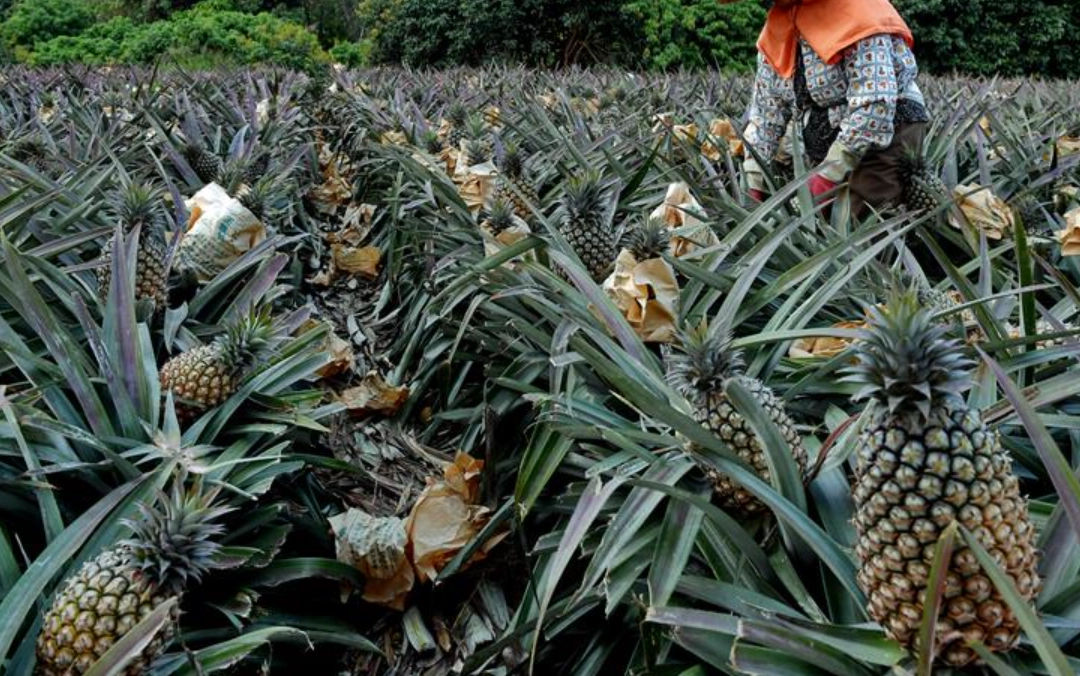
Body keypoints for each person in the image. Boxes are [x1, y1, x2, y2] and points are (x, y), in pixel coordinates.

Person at [730, 0, 930, 216]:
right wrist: (753, 178)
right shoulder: (781, 23)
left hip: (889, 124)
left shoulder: (859, 10)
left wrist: (830, 172)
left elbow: (875, 101)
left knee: (857, 220)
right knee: (822, 221)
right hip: (832, 131)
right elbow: (766, 114)